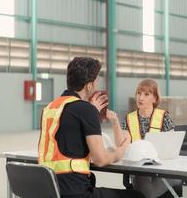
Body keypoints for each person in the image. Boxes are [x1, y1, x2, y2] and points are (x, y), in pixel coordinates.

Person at [38, 57, 145, 198]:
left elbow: (68, 132)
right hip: (74, 192)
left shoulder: (50, 108)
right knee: (137, 196)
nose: (96, 85)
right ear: (88, 86)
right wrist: (119, 153)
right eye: (95, 82)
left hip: (49, 189)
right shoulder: (85, 110)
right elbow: (100, 159)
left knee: (92, 179)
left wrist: (91, 111)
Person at [120, 79, 180, 198]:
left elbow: (172, 148)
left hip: (162, 170)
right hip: (139, 171)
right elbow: (124, 148)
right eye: (138, 93)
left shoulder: (164, 117)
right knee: (146, 191)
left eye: (146, 94)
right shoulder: (128, 119)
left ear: (155, 98)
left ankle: (175, 180)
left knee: (146, 193)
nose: (140, 98)